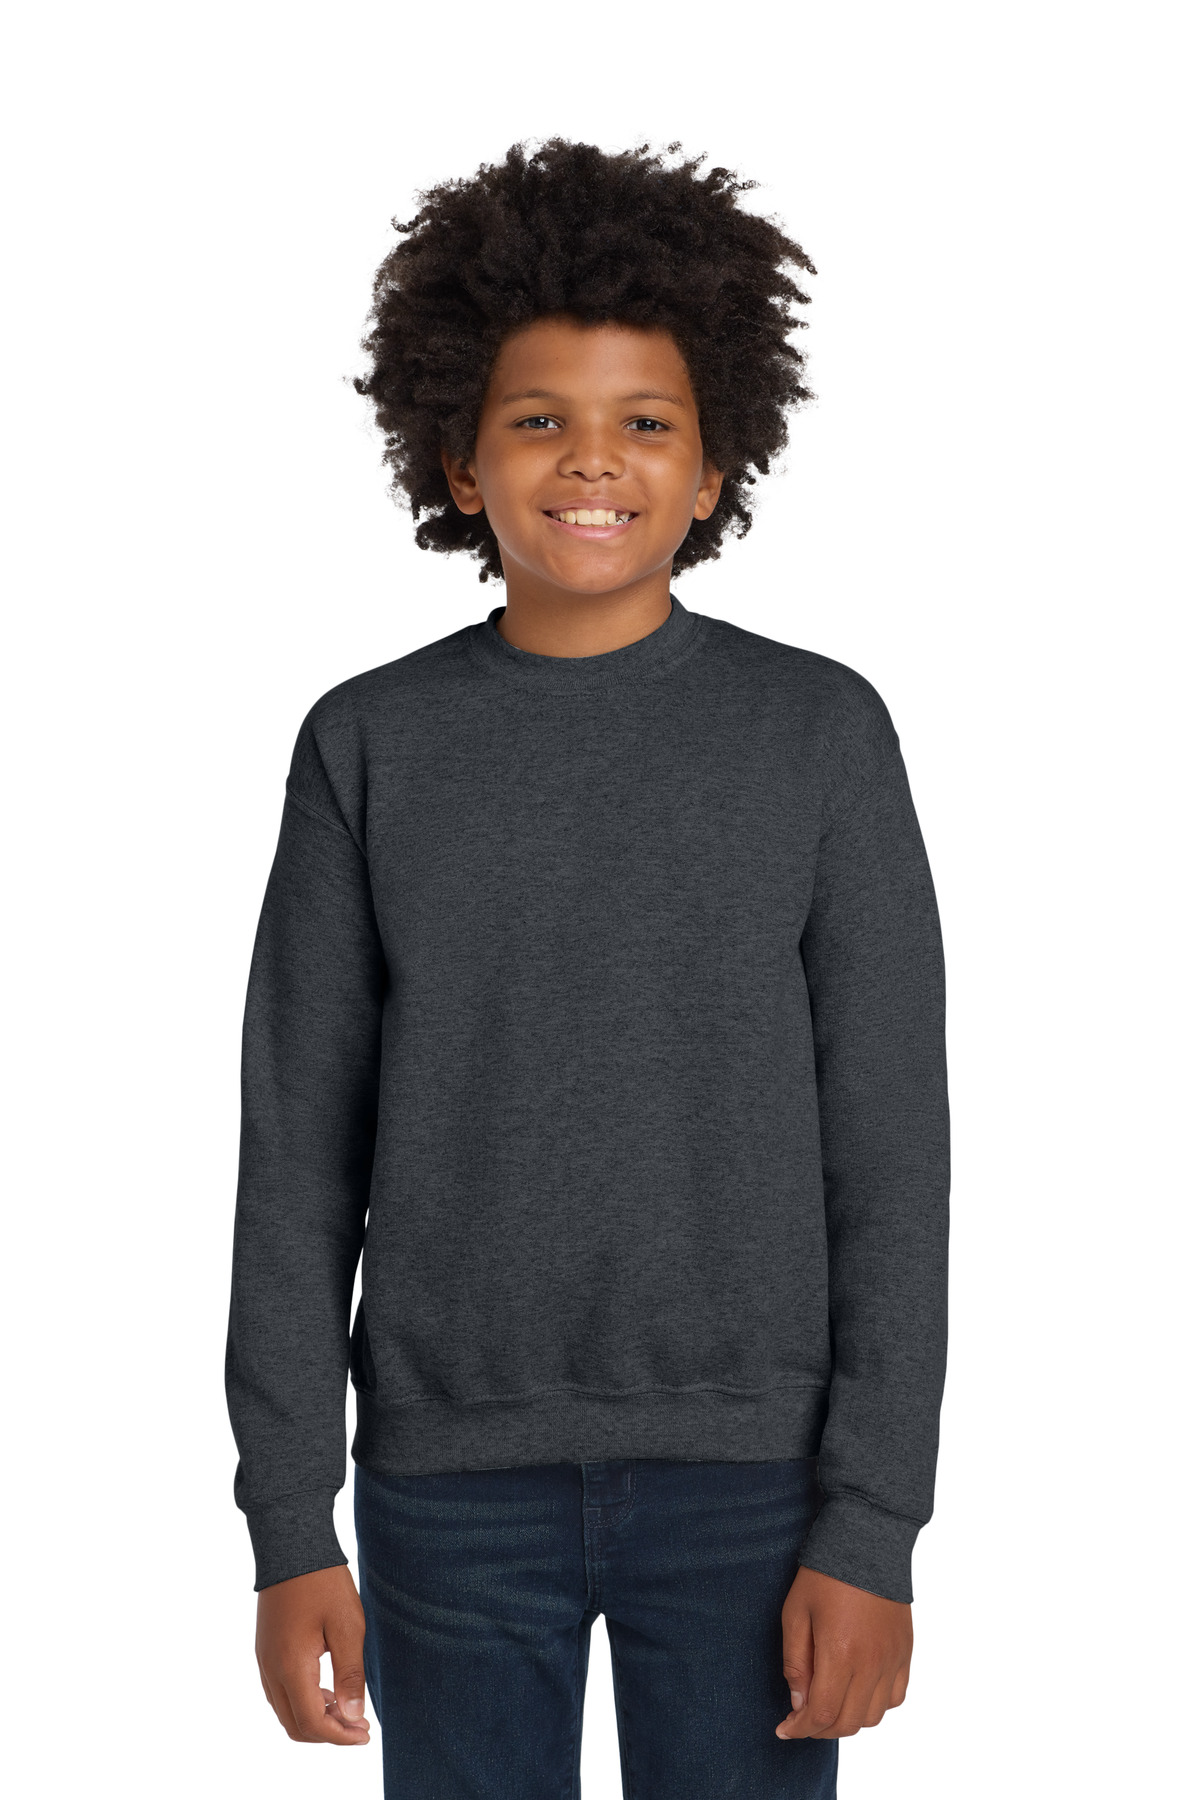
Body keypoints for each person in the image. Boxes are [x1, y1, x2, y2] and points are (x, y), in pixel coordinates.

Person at [225, 138, 950, 1800]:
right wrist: (288, 1522)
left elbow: (893, 1159)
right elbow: (298, 1159)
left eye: (648, 423)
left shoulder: (820, 735)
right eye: (540, 419)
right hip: (447, 1491)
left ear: (714, 467)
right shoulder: (367, 746)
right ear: (458, 460)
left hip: (757, 1486)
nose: (594, 460)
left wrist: (873, 1521)